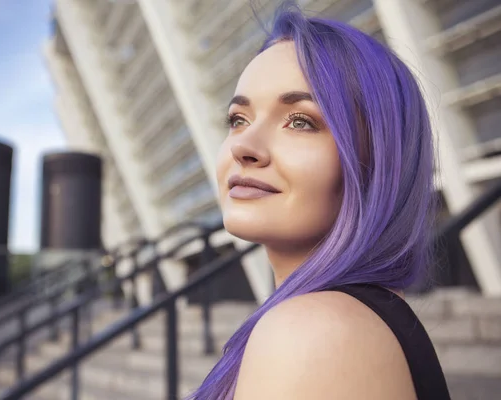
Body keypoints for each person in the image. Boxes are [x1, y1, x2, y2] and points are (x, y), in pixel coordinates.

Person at [187, 3, 451, 400]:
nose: (243, 145)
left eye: (300, 121)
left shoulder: (313, 333)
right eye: (238, 119)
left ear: (375, 162)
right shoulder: (346, 321)